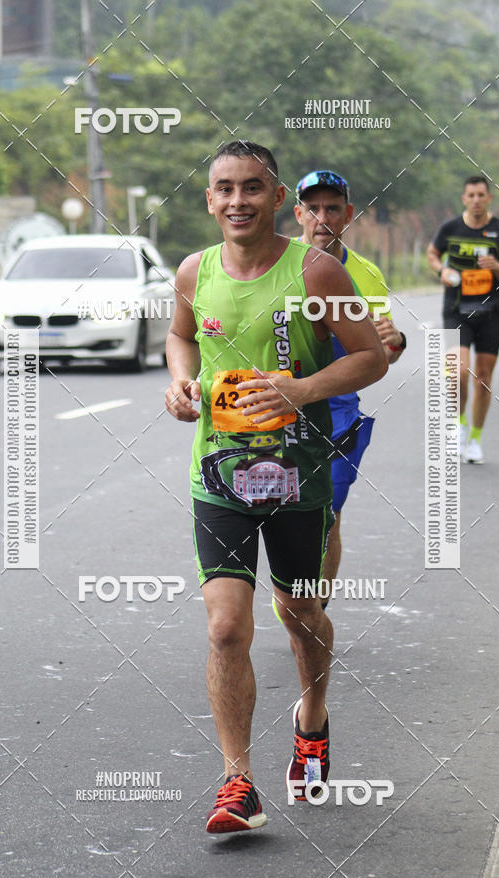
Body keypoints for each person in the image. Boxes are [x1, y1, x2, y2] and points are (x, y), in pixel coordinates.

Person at [165, 141, 388, 834]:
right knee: (226, 626)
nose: (238, 201)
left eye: (252, 188)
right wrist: (181, 382)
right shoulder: (194, 270)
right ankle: (238, 783)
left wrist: (303, 389)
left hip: (301, 476)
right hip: (219, 474)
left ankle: (311, 718)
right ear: (210, 198)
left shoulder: (315, 271)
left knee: (300, 613)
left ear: (275, 196)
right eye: (225, 188)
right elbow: (180, 338)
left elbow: (372, 357)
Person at [286, 169, 405, 610]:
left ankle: (313, 613)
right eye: (313, 208)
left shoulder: (367, 275)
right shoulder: (277, 265)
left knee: (328, 517)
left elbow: (382, 354)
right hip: (280, 409)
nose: (323, 218)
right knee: (283, 519)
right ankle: (293, 599)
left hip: (338, 414)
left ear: (348, 214)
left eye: (333, 209)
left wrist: (394, 343)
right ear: (298, 214)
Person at [427, 175, 499, 464]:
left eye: (481, 195)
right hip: (456, 310)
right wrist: (441, 270)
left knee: (483, 379)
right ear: (464, 198)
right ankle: (459, 424)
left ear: (488, 198)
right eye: (471, 195)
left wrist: (496, 266)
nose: (476, 200)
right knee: (457, 373)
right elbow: (432, 254)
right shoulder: (450, 228)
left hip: (491, 313)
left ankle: (475, 439)